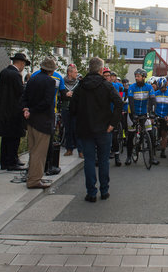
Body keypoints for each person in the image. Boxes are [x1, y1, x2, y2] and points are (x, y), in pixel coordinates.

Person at [70, 57, 123, 202]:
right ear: (101, 70)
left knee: (89, 160)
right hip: (104, 129)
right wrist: (113, 123)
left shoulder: (80, 86)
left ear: (89, 69)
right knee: (104, 160)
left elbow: (72, 108)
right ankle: (104, 191)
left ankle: (91, 193)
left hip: (85, 128)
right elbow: (119, 103)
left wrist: (80, 119)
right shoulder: (107, 85)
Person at [20, 57, 60, 189]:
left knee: (32, 150)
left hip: (31, 121)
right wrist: (32, 110)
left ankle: (32, 176)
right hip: (42, 121)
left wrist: (26, 109)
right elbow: (47, 102)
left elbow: (24, 96)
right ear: (51, 70)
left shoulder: (32, 79)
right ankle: (35, 180)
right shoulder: (50, 81)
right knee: (40, 152)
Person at [0, 52, 29, 171]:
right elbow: (20, 92)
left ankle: (5, 161)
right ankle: (12, 162)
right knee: (14, 138)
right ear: (21, 63)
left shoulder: (3, 72)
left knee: (5, 138)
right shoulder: (15, 75)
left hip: (3, 110)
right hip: (14, 111)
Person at [126, 68, 158, 165]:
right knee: (131, 135)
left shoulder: (149, 87)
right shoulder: (132, 87)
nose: (136, 78)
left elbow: (153, 100)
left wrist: (152, 112)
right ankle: (128, 157)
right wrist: (134, 114)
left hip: (144, 113)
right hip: (133, 112)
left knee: (151, 134)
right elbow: (131, 102)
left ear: (144, 77)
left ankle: (152, 157)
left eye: (138, 76)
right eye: (136, 76)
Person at [154, 78, 168, 159]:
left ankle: (163, 151)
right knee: (155, 133)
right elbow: (153, 104)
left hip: (165, 116)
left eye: (163, 88)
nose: (161, 90)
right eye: (160, 88)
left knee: (164, 134)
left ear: (166, 86)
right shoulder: (156, 93)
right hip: (157, 115)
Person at [62, 64, 80, 157]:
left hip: (75, 109)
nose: (76, 74)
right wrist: (66, 95)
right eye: (75, 72)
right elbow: (59, 94)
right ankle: (69, 148)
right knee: (68, 129)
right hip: (65, 108)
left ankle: (80, 150)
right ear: (69, 73)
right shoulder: (63, 82)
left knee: (76, 129)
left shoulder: (78, 83)